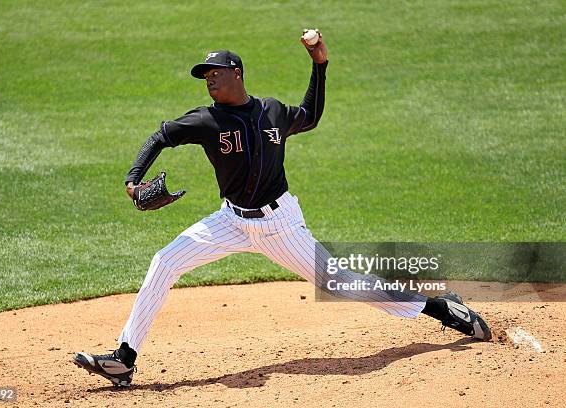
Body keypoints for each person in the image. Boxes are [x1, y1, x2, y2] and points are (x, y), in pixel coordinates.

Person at [73, 32, 491, 387]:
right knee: (164, 263)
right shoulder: (205, 121)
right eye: (205, 77)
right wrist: (132, 182)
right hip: (230, 221)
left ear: (237, 73)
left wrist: (320, 66)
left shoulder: (272, 111)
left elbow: (309, 116)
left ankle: (440, 307)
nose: (209, 81)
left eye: (215, 73)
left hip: (281, 225)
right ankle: (125, 359)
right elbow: (160, 136)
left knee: (341, 284)